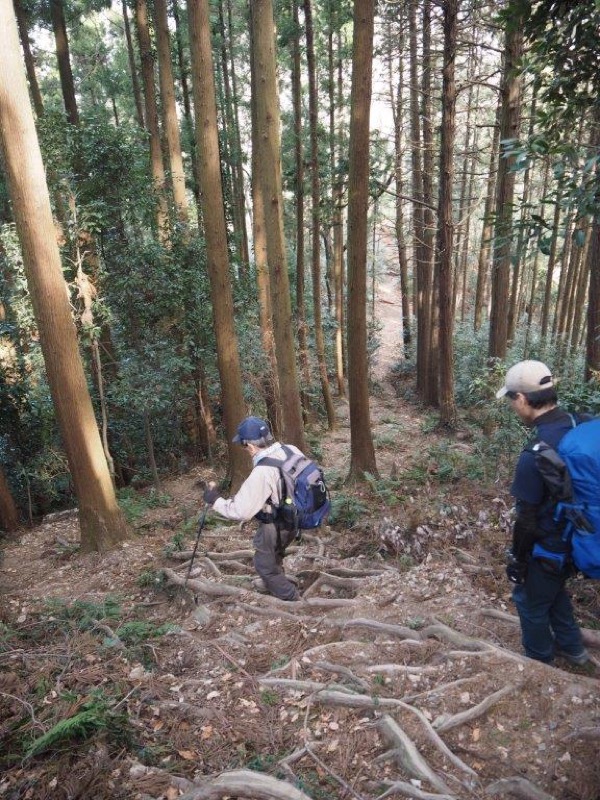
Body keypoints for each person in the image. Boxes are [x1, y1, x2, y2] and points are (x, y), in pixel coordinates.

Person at [496, 359, 589, 666]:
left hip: (550, 546)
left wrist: (518, 560)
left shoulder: (534, 454)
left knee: (529, 601)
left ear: (522, 399)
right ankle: (574, 650)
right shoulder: (580, 424)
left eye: (511, 399)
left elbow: (526, 520)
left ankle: (540, 664)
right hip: (581, 538)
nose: (512, 406)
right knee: (552, 591)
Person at [203, 416, 301, 601]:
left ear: (250, 445)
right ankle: (276, 579)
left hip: (277, 523)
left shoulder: (262, 472)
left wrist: (215, 500)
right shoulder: (291, 450)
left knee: (263, 564)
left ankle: (291, 598)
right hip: (298, 515)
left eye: (244, 446)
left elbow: (242, 511)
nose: (245, 450)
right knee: (274, 554)